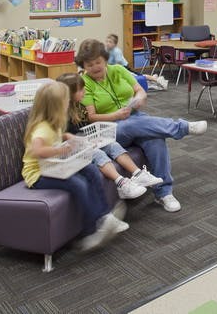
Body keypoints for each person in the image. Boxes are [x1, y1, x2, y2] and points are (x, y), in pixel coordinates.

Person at [75, 38, 208, 213]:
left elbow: (140, 90)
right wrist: (115, 115)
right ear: (83, 66)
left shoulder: (118, 70)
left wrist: (139, 99)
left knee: (156, 139)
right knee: (127, 125)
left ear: (105, 59)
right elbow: (91, 117)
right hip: (110, 128)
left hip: (136, 118)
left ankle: (164, 193)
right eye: (89, 65)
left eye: (98, 62)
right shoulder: (85, 83)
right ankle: (180, 128)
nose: (95, 67)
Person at [22, 81, 127, 252]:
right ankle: (90, 232)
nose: (68, 105)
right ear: (55, 107)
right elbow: (37, 150)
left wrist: (67, 136)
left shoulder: (53, 123)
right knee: (78, 184)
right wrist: (62, 149)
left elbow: (56, 136)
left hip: (54, 167)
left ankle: (105, 216)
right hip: (38, 174)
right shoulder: (41, 128)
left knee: (92, 170)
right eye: (65, 103)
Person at [57, 73, 163, 200]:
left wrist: (91, 139)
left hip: (82, 142)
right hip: (68, 149)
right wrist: (82, 141)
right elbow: (60, 136)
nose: (84, 91)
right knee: (97, 153)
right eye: (81, 89)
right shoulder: (59, 112)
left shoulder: (78, 106)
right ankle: (121, 183)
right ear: (69, 93)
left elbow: (82, 128)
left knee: (112, 145)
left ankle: (138, 174)